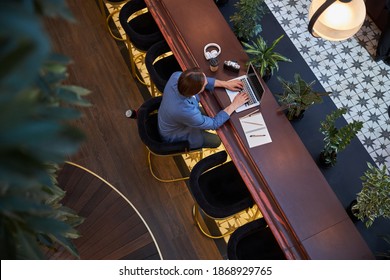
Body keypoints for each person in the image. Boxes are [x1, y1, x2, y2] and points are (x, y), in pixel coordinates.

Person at [158, 67, 249, 149]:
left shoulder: (177, 76)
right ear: (196, 91)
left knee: (212, 112)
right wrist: (234, 104)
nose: (206, 82)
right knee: (216, 140)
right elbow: (213, 124)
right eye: (204, 85)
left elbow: (200, 80)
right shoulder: (188, 112)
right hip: (176, 134)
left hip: (170, 117)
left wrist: (225, 84)